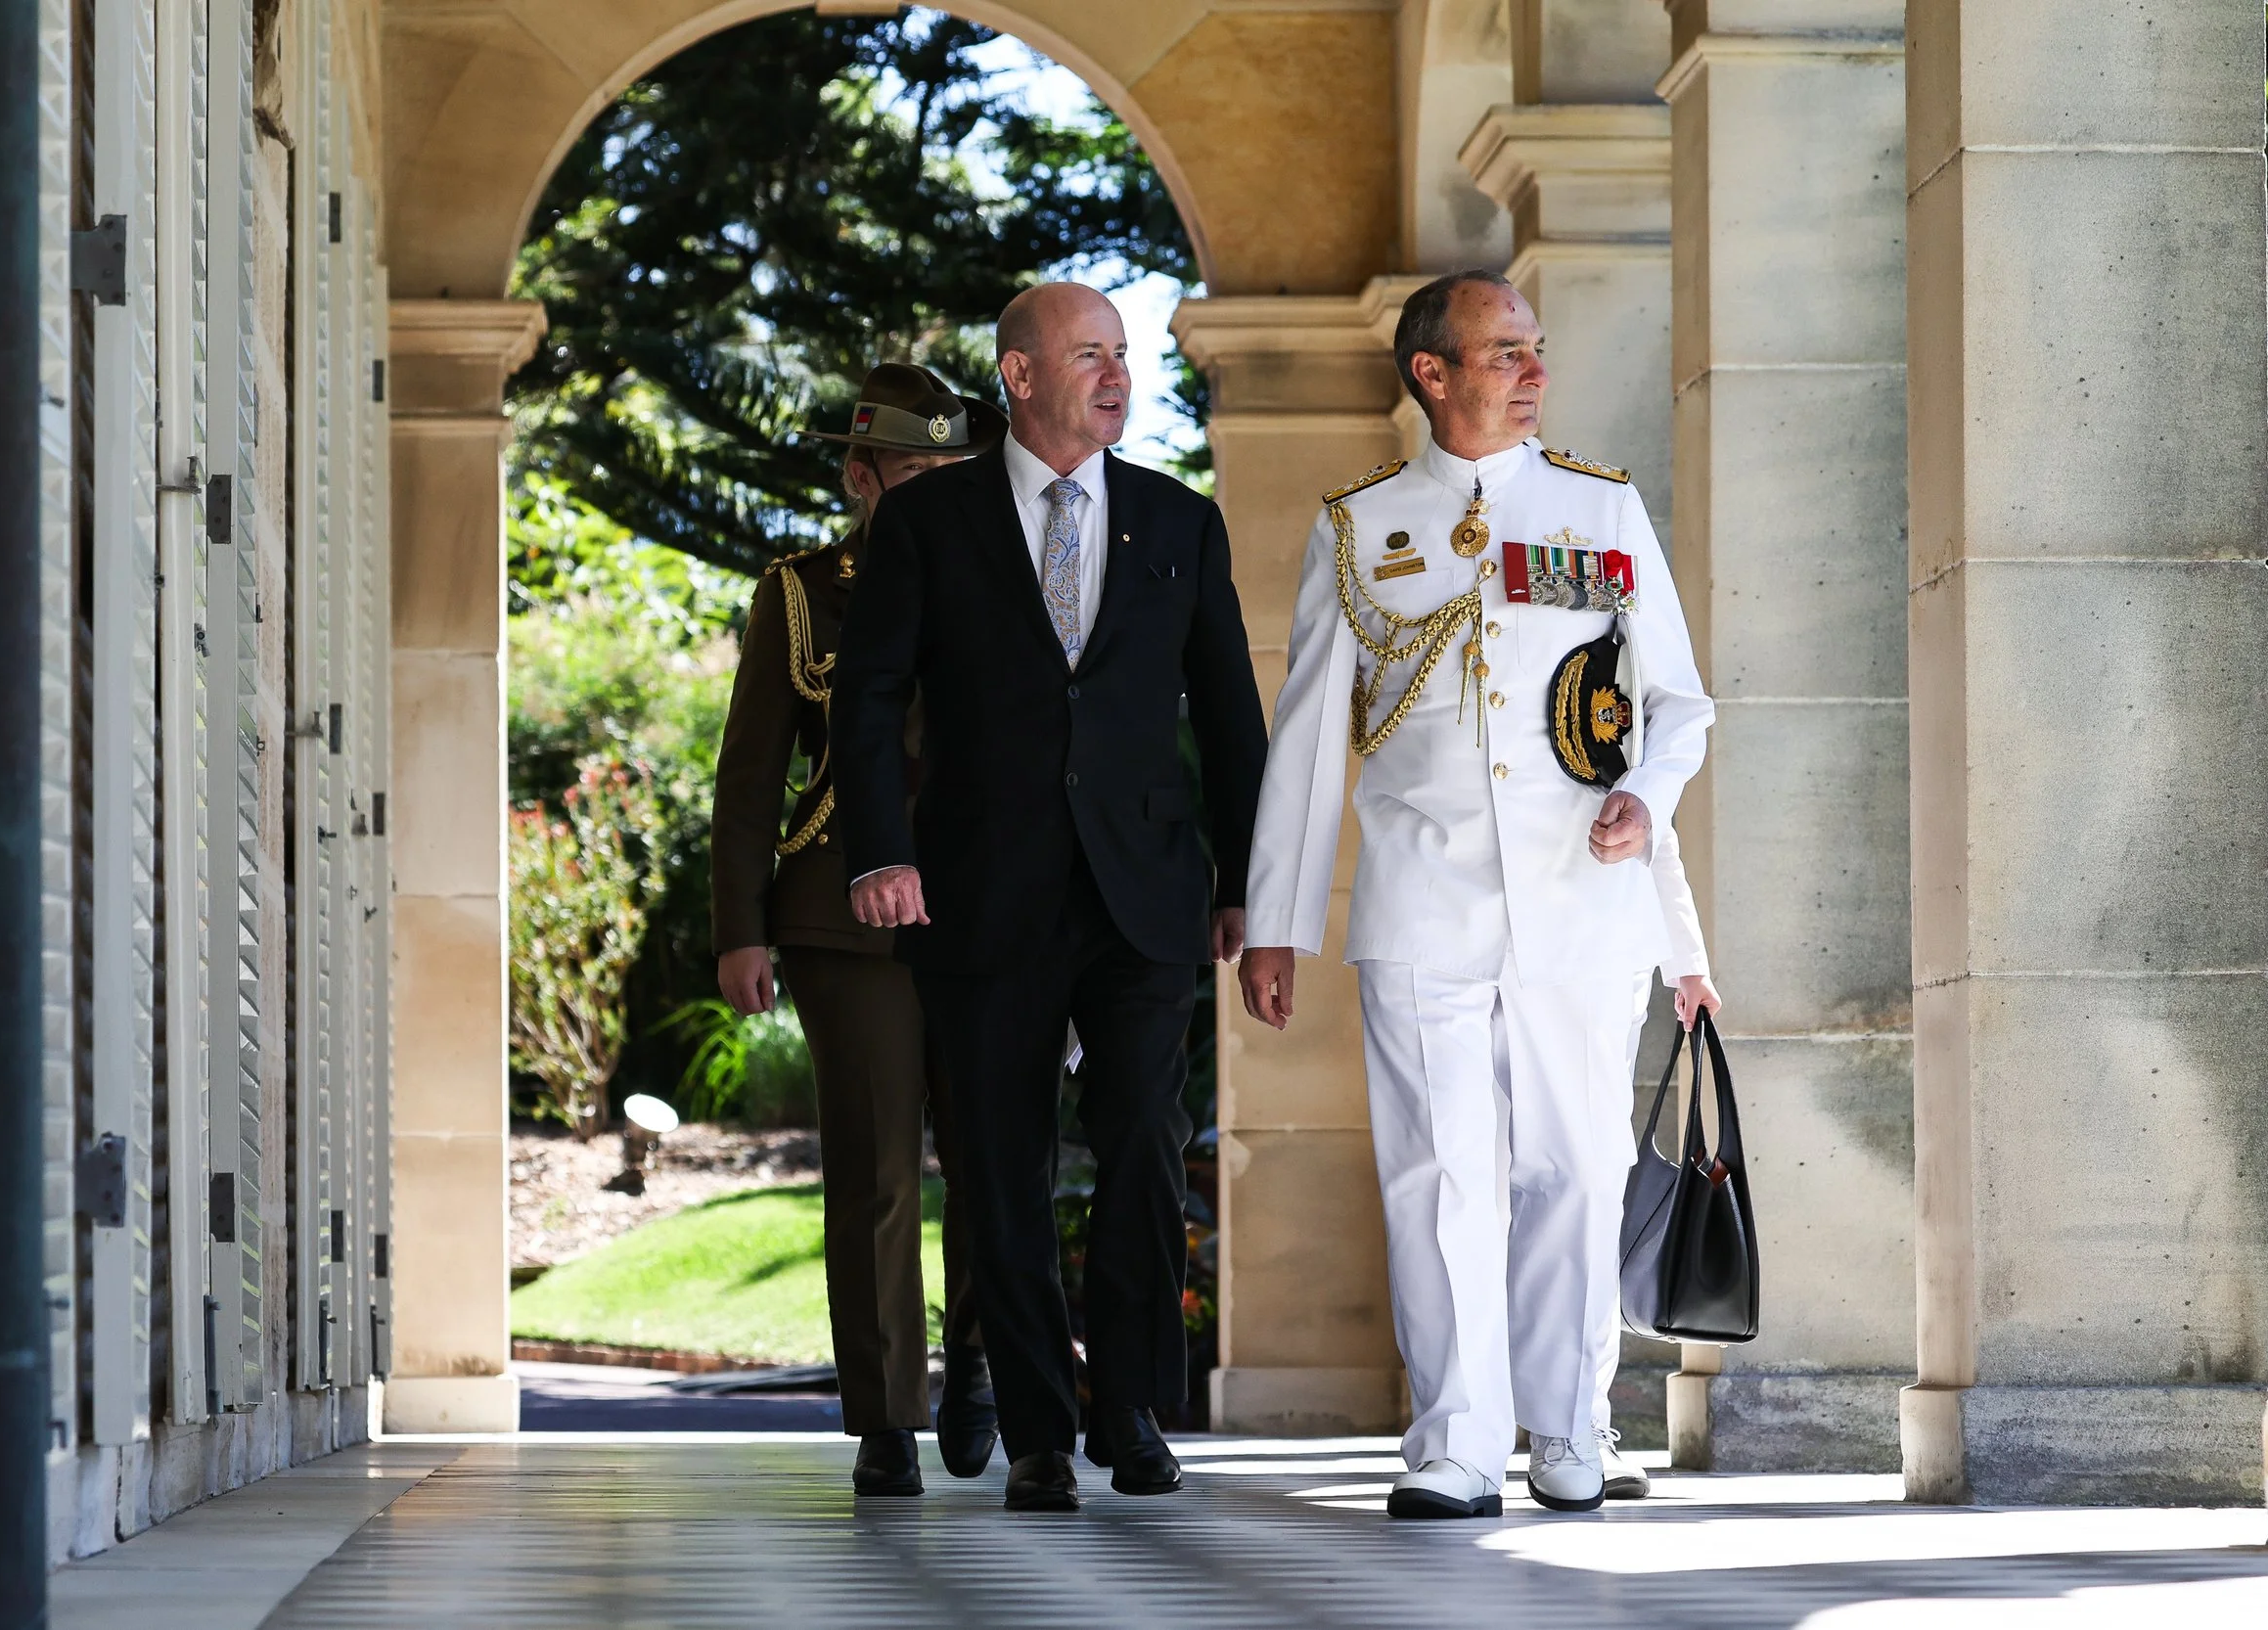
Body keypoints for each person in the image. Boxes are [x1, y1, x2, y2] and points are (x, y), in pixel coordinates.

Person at [1239, 268, 1713, 1519]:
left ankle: (1570, 1427)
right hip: (1420, 904)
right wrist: (1277, 922)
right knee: (1438, 1173)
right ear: (1431, 373)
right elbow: (1303, 746)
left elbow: (1678, 702)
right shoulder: (1360, 526)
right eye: (1504, 353)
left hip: (1578, 897)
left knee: (1575, 1164)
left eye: (1535, 350)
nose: (1534, 373)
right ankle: (1454, 1437)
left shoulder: (1598, 511)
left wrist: (1646, 795)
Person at [830, 282, 1267, 1514]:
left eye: (1122, 355)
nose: (1118, 375)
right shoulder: (930, 523)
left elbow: (1232, 718)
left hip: (1143, 897)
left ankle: (1129, 1406)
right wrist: (879, 854)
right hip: (976, 891)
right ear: (1019, 377)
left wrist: (1246, 887)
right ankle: (1033, 1429)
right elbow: (864, 700)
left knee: (1141, 1142)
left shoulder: (1180, 523)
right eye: (1090, 356)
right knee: (998, 1165)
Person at [709, 363, 1007, 1497]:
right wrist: (739, 927)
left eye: (949, 468)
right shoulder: (800, 590)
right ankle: (886, 1416)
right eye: (911, 471)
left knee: (992, 1154)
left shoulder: (1009, 576)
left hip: (984, 908)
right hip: (841, 913)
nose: (933, 488)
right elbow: (749, 778)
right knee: (876, 1171)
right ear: (859, 474)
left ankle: (979, 1367)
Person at [1592, 827, 1719, 1501]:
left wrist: (1686, 961)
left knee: (1588, 1198)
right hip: (1459, 941)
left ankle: (1583, 1425)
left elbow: (1653, 800)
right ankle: (1464, 1433)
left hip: (1596, 948)